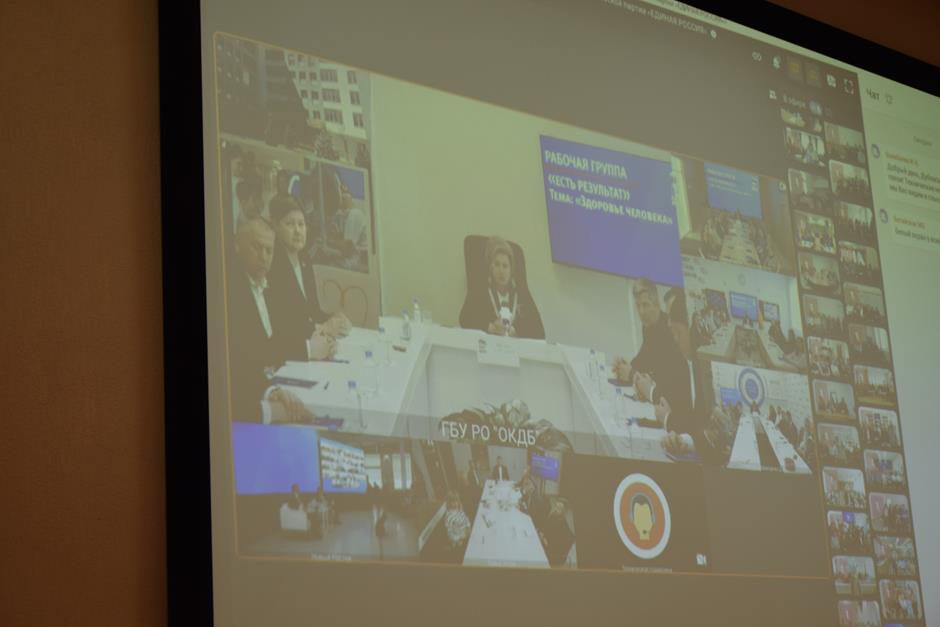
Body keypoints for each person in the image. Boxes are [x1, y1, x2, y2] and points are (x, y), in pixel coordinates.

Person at [227, 218, 313, 423]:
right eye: (256, 248)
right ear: (238, 246)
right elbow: (238, 364)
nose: (264, 257)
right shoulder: (230, 290)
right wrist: (270, 394)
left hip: (267, 384)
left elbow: (276, 342)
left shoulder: (268, 286)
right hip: (243, 404)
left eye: (269, 250)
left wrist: (271, 390)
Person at [265, 195, 350, 362]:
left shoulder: (304, 259)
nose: (298, 231)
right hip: (289, 357)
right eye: (290, 224)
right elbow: (284, 324)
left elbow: (312, 312)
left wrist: (334, 319)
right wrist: (323, 328)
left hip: (312, 349)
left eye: (301, 224)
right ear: (275, 226)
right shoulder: (271, 266)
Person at [613, 279, 692, 429]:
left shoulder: (670, 333)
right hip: (660, 406)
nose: (641, 312)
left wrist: (632, 375)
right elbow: (643, 360)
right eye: (638, 306)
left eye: (646, 305)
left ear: (656, 304)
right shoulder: (648, 327)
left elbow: (665, 382)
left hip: (673, 413)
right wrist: (625, 366)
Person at [459, 236, 545, 339]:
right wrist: (491, 328)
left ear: (511, 270)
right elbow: (465, 318)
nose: (501, 271)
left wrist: (515, 331)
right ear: (490, 267)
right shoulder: (480, 291)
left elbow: (539, 331)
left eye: (505, 266)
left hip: (515, 346)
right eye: (497, 265)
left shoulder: (522, 295)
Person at [538, 498, 575, 567]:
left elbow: (556, 542)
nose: (556, 509)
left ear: (564, 511)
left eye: (559, 508)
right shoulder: (554, 515)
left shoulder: (562, 523)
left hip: (552, 553)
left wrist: (545, 540)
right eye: (556, 506)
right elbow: (546, 526)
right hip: (546, 543)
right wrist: (542, 532)